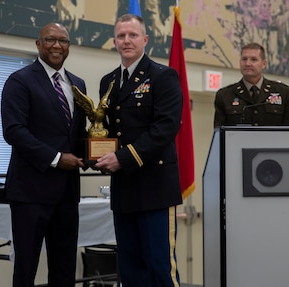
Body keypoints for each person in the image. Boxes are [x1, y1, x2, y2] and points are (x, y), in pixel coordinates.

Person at [94, 14, 182, 287]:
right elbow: (107, 129)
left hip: (155, 188)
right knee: (130, 271)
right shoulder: (109, 81)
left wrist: (121, 158)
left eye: (133, 35)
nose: (126, 41)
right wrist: (92, 151)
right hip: (124, 191)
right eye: (121, 36)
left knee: (159, 268)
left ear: (145, 39)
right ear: (114, 41)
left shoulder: (163, 76)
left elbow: (164, 129)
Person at [1, 22, 87, 287]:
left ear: (69, 46)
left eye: (63, 41)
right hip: (30, 192)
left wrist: (99, 154)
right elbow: (14, 131)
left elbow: (77, 133)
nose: (57, 46)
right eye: (50, 40)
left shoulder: (78, 84)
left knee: (64, 268)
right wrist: (57, 158)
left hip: (67, 193)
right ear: (38, 43)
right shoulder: (20, 80)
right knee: (26, 268)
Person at [214, 42, 289, 127]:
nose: (247, 64)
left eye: (253, 59)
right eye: (244, 59)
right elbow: (219, 134)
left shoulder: (283, 92)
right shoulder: (225, 95)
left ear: (264, 64)